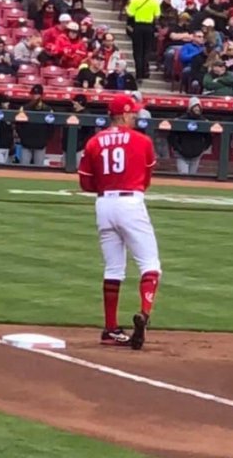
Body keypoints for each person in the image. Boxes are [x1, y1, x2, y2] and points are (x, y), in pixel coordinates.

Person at [77, 94, 161, 350]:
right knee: (150, 265)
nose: (136, 116)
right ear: (124, 114)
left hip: (104, 204)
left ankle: (110, 329)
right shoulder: (142, 141)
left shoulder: (94, 141)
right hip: (131, 202)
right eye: (133, 112)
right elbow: (146, 179)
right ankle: (144, 315)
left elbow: (85, 182)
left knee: (113, 269)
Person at [124, 0, 159, 82]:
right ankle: (145, 71)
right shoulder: (154, 1)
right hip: (149, 27)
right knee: (146, 50)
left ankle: (139, 74)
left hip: (138, 26)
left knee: (137, 51)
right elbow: (157, 16)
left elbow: (130, 13)